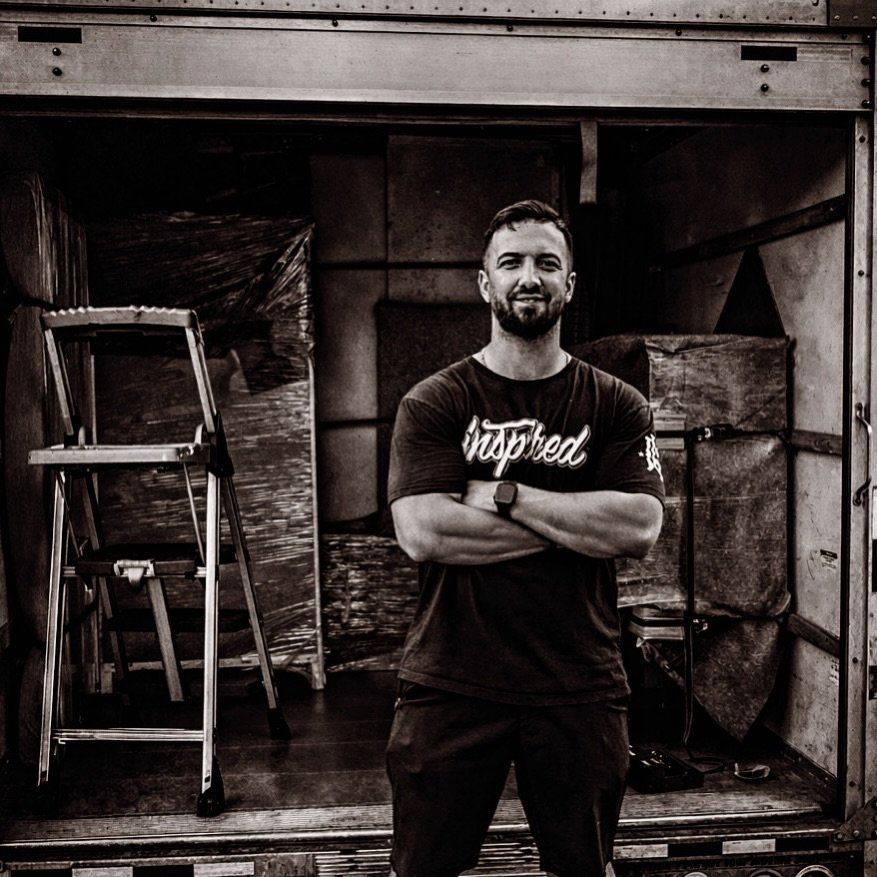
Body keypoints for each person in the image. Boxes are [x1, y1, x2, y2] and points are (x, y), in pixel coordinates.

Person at [386, 199, 665, 877]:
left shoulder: (616, 404)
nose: (528, 276)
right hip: (452, 680)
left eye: (546, 262)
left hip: (578, 685)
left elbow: (639, 525)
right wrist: (576, 525)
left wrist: (506, 495)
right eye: (510, 262)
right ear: (485, 284)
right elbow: (423, 531)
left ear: (570, 284)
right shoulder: (434, 401)